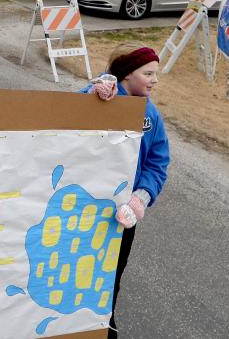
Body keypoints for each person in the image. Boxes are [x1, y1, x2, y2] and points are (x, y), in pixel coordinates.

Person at [82, 44, 171, 339]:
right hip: (83, 209)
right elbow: (68, 121)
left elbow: (158, 161)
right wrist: (94, 91)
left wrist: (139, 198)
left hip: (122, 218)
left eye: (155, 73)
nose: (155, 80)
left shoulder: (151, 116)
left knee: (111, 274)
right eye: (148, 73)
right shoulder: (101, 95)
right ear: (125, 75)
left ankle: (104, 322)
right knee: (79, 268)